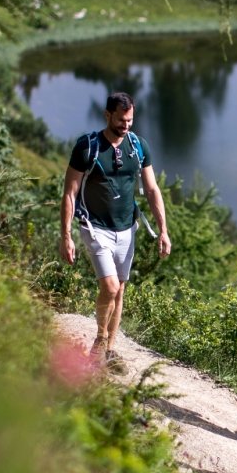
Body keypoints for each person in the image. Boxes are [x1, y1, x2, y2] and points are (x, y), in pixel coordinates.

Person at [59, 91, 171, 367]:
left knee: (119, 289)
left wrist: (163, 229)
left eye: (130, 120)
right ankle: (99, 340)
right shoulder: (88, 147)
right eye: (121, 120)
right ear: (107, 115)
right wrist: (66, 236)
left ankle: (109, 349)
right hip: (95, 228)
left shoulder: (138, 146)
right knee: (109, 287)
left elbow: (153, 189)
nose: (126, 125)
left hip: (126, 228)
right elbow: (70, 193)